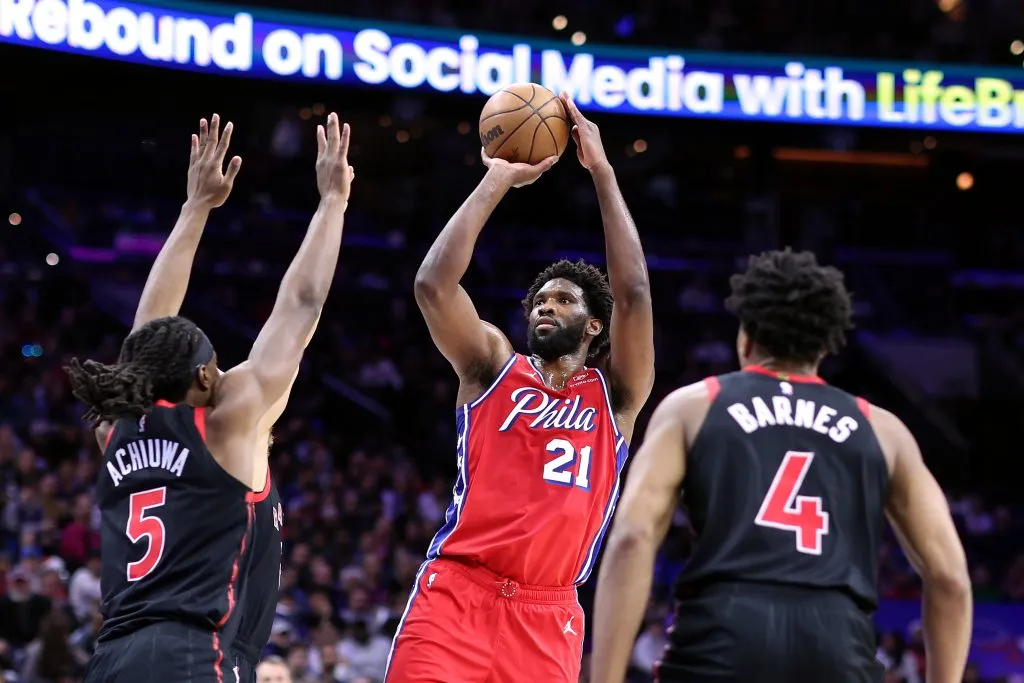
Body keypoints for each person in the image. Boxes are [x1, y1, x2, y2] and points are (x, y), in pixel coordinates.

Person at [591, 249, 973, 683]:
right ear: (825, 346)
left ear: (746, 337)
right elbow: (950, 579)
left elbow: (632, 537)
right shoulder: (883, 430)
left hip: (723, 637)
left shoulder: (695, 406)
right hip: (838, 646)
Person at [67, 112, 355, 683]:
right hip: (195, 654)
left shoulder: (117, 427)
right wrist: (333, 203)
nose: (229, 372)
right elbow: (300, 304)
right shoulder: (228, 423)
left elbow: (147, 330)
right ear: (202, 379)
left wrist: (195, 207)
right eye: (219, 366)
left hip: (112, 659)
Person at [386, 93, 655, 682]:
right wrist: (500, 179)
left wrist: (603, 172)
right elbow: (433, 284)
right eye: (539, 300)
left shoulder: (616, 396)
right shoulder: (491, 367)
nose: (545, 307)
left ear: (593, 326)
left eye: (563, 299)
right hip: (456, 593)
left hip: (548, 613)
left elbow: (633, 292)